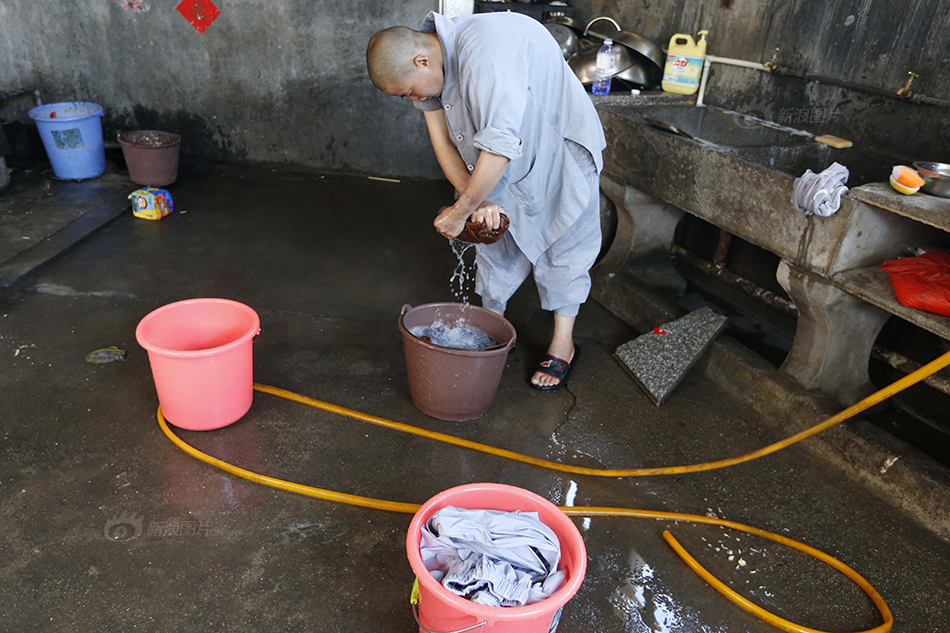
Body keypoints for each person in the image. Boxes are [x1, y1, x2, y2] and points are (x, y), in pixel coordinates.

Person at [366, 11, 606, 392]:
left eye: (410, 91)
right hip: (499, 159)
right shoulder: (435, 69)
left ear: (421, 61)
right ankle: (492, 325)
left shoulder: (485, 50)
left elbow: (499, 148)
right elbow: (445, 145)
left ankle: (563, 343)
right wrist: (474, 202)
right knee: (492, 238)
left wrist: (460, 211)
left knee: (564, 246)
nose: (415, 99)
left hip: (557, 149)